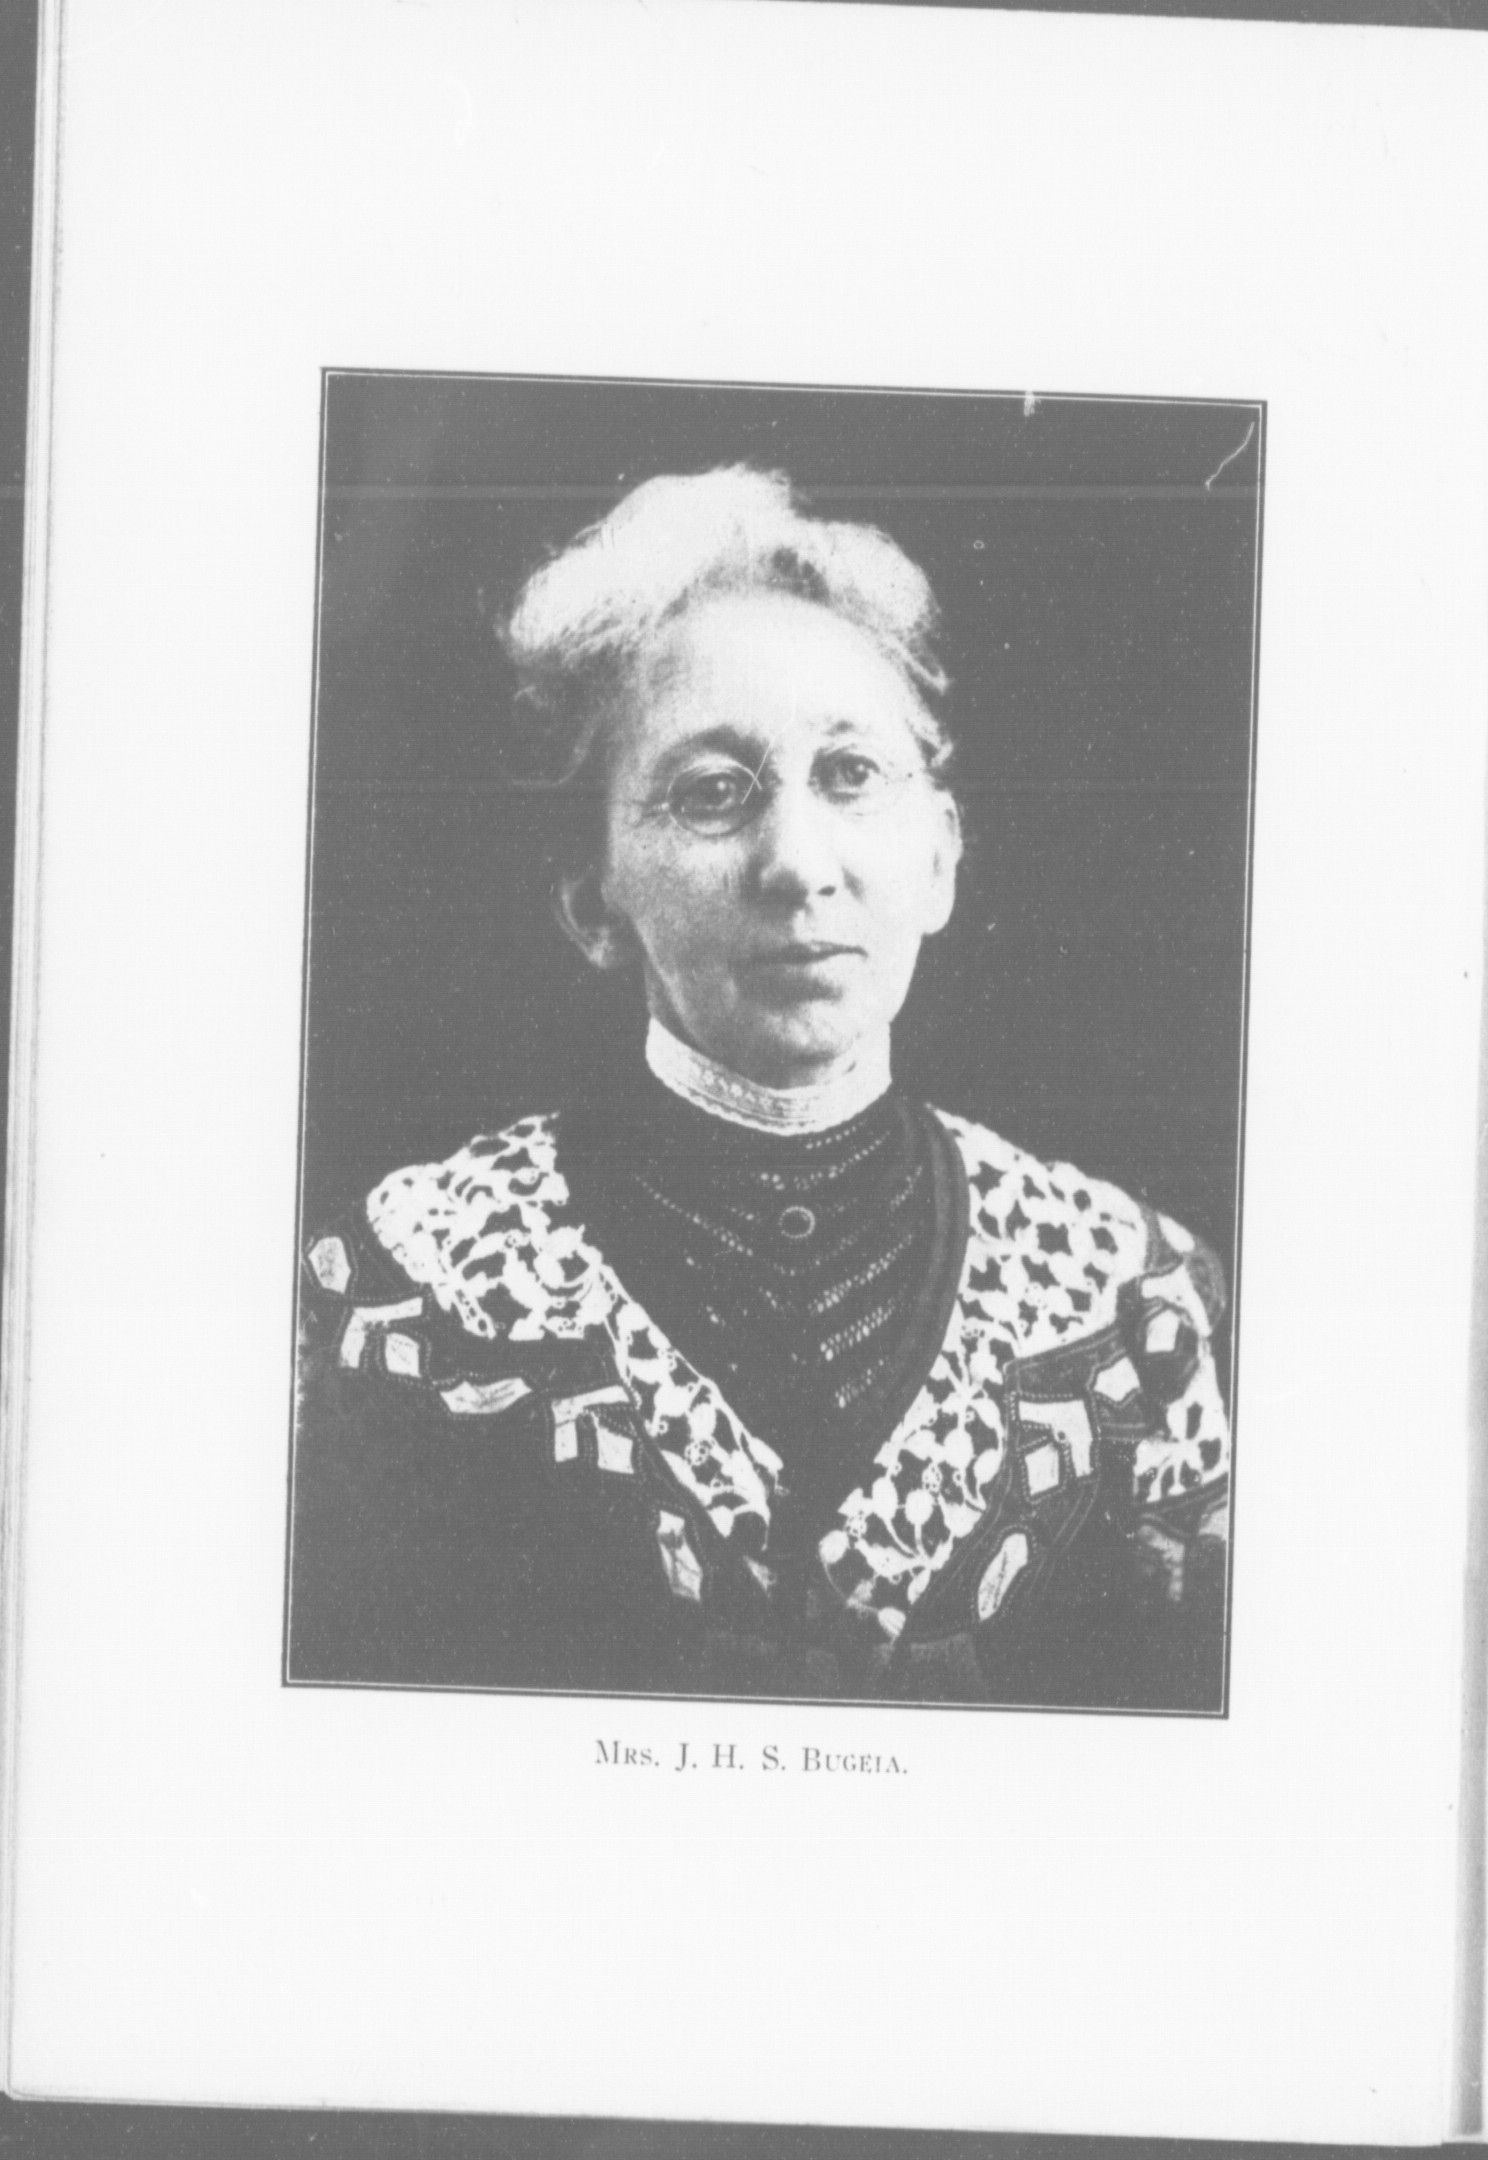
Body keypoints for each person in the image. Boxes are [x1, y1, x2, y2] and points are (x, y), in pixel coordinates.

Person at [291, 466, 1231, 1709]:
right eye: (713, 793)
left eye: (851, 774)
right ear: (592, 900)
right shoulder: (407, 1292)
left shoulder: (1131, 1300)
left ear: (941, 859)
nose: (797, 864)